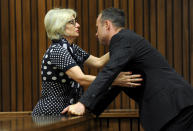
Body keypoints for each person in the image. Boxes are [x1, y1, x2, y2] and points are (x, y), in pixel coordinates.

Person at [61, 8, 193, 131]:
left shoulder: (122, 39)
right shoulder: (125, 41)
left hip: (174, 108)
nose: (96, 34)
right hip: (173, 109)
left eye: (97, 28)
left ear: (107, 25)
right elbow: (116, 84)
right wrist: (90, 109)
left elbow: (109, 73)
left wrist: (82, 104)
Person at [32, 8, 142, 116]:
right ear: (59, 26)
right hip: (50, 111)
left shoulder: (72, 48)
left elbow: (99, 62)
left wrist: (124, 45)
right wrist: (114, 80)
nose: (78, 25)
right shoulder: (57, 50)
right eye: (72, 22)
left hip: (65, 108)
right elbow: (81, 79)